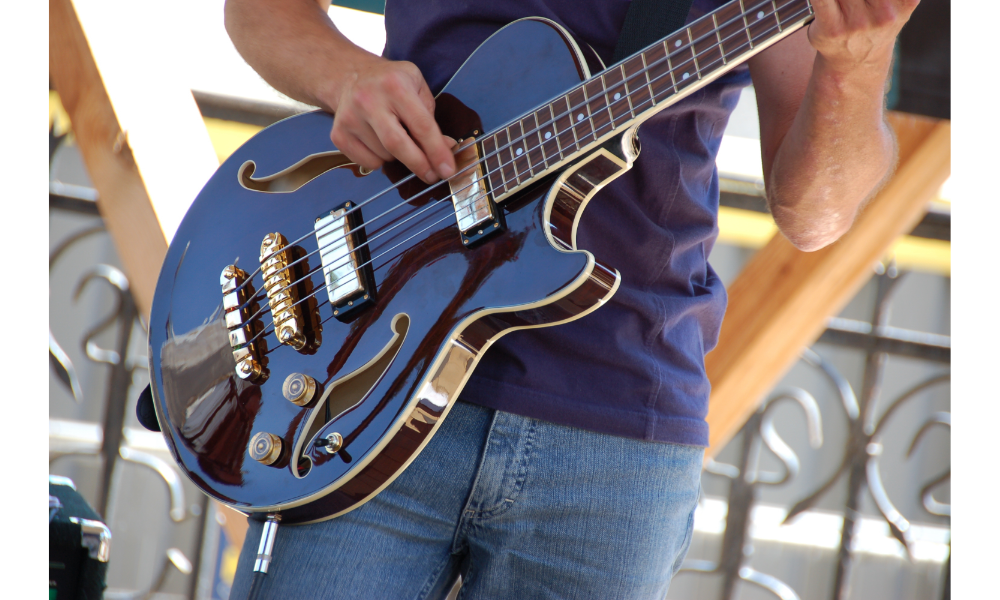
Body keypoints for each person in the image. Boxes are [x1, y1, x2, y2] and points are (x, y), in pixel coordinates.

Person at [225, 0, 918, 597]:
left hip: (613, 433)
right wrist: (347, 76)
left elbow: (812, 213)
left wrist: (855, 70)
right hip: (371, 374)